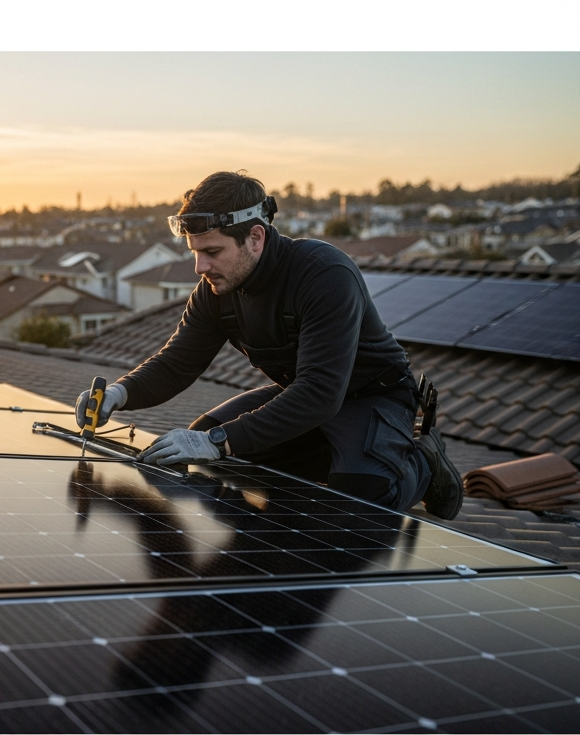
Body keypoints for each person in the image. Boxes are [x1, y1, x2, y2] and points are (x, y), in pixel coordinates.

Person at [74, 170, 463, 519]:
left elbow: (322, 392)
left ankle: (421, 463)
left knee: (359, 498)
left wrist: (218, 442)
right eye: (195, 253)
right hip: (308, 399)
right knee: (204, 448)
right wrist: (119, 394)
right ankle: (340, 454)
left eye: (212, 252)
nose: (200, 268)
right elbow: (178, 361)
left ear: (255, 237)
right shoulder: (217, 290)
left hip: (372, 397)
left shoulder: (324, 274)